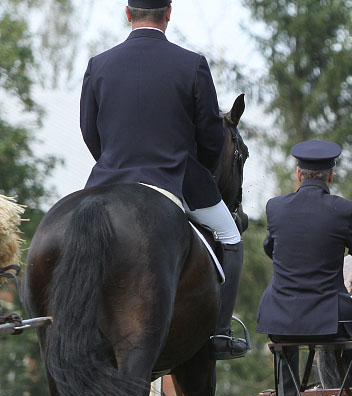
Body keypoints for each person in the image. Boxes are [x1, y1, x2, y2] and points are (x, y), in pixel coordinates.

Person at [79, 0, 247, 359]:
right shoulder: (192, 63)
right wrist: (194, 170)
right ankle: (220, 334)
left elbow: (89, 132)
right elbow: (212, 136)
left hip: (109, 180)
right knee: (232, 239)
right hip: (176, 178)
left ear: (128, 13)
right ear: (168, 13)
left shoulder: (99, 65)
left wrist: (115, 164)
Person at [256, 140, 352, 396]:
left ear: (298, 173)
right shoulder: (343, 210)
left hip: (280, 313)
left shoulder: (276, 207)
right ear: (330, 175)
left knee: (285, 337)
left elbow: (271, 248)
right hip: (330, 319)